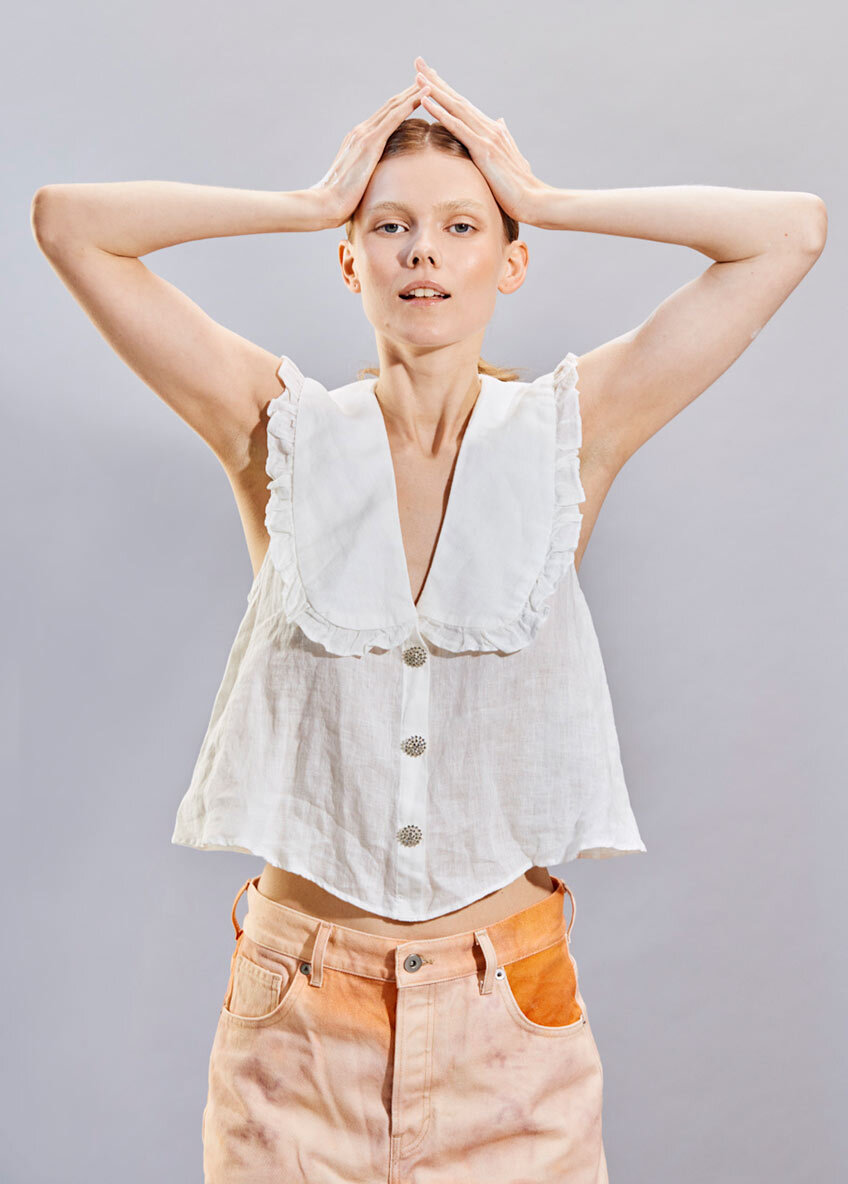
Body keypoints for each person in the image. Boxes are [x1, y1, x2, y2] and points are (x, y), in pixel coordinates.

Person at [31, 54, 826, 1184]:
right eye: (390, 226)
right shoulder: (274, 430)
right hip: (295, 1033)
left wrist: (543, 195)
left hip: (509, 1032)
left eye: (462, 227)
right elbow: (69, 224)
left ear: (510, 262)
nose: (423, 253)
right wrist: (308, 200)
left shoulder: (571, 435)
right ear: (350, 259)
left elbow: (789, 233)